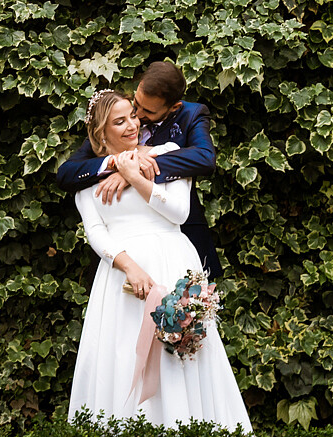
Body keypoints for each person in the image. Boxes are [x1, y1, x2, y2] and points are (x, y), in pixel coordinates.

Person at [65, 88, 252, 430]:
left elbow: (179, 212)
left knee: (181, 357)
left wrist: (135, 176)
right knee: (121, 357)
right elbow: (95, 231)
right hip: (121, 277)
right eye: (118, 122)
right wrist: (129, 267)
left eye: (132, 117)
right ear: (101, 133)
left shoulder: (165, 153)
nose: (131, 126)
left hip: (172, 263)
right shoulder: (88, 176)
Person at [55, 61, 222, 281]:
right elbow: (69, 173)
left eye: (147, 111)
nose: (138, 117)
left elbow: (204, 158)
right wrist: (117, 162)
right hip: (124, 256)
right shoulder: (117, 117)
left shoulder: (191, 115)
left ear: (174, 107)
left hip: (179, 240)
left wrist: (134, 171)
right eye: (136, 105)